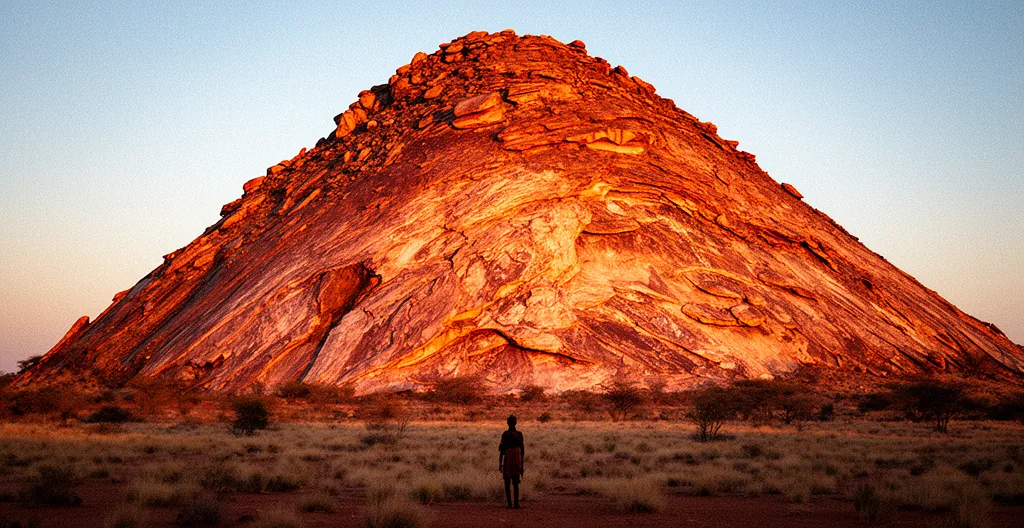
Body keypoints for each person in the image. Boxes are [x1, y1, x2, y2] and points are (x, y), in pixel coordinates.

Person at [498, 414, 524, 509]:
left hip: (510, 459)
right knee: (515, 482)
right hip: (516, 459)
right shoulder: (518, 434)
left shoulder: (506, 434)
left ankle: (510, 503)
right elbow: (522, 451)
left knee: (509, 482)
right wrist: (522, 465)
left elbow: (502, 450)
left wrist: (500, 463)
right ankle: (515, 503)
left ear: (507, 423)